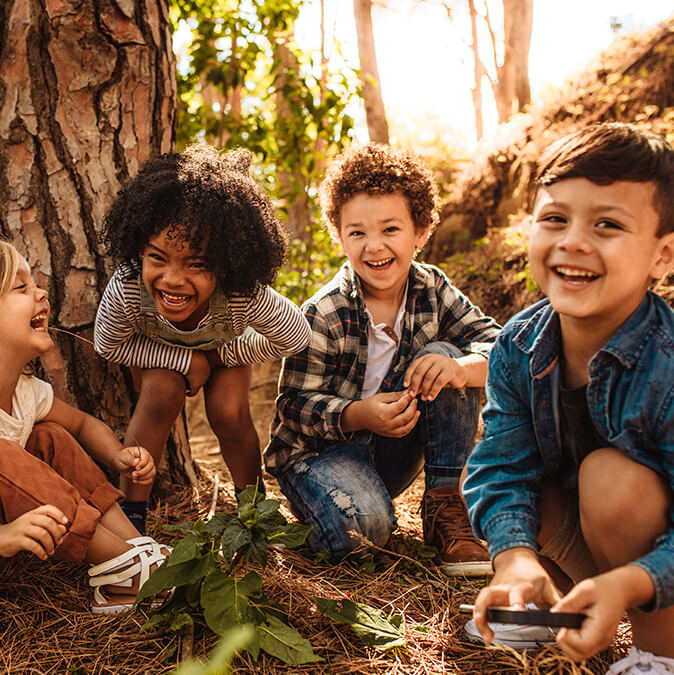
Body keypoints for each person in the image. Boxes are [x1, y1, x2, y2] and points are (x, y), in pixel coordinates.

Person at [462, 123, 674, 673]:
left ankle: (657, 654)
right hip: (594, 541)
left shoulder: (668, 365)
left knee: (611, 480)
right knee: (532, 497)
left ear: (662, 256)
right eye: (555, 218)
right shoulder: (517, 346)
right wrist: (512, 559)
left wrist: (632, 583)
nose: (573, 241)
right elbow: (499, 467)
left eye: (607, 224)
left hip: (659, 560)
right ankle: (567, 619)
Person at [264, 144, 500, 574]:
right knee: (364, 533)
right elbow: (293, 406)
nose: (374, 247)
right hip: (320, 457)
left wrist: (462, 368)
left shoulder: (433, 289)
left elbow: (502, 347)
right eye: (357, 233)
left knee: (445, 357)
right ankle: (339, 511)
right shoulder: (325, 311)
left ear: (421, 231)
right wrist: (357, 415)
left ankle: (445, 504)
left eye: (390, 229)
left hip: (393, 450)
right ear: (339, 237)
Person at [94, 144, 311, 534]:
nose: (173, 279)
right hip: (159, 356)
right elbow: (108, 344)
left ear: (227, 265)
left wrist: (222, 354)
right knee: (161, 393)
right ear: (139, 249)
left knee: (229, 412)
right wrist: (184, 361)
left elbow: (294, 335)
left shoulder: (243, 294)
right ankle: (131, 523)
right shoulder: (128, 287)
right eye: (157, 257)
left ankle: (254, 514)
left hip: (225, 352)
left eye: (197, 264)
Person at [0, 240, 167, 614]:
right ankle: (133, 568)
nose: (41, 292)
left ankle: (135, 551)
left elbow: (81, 423)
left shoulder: (27, 393)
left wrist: (117, 454)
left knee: (51, 436)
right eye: (21, 286)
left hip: (26, 534)